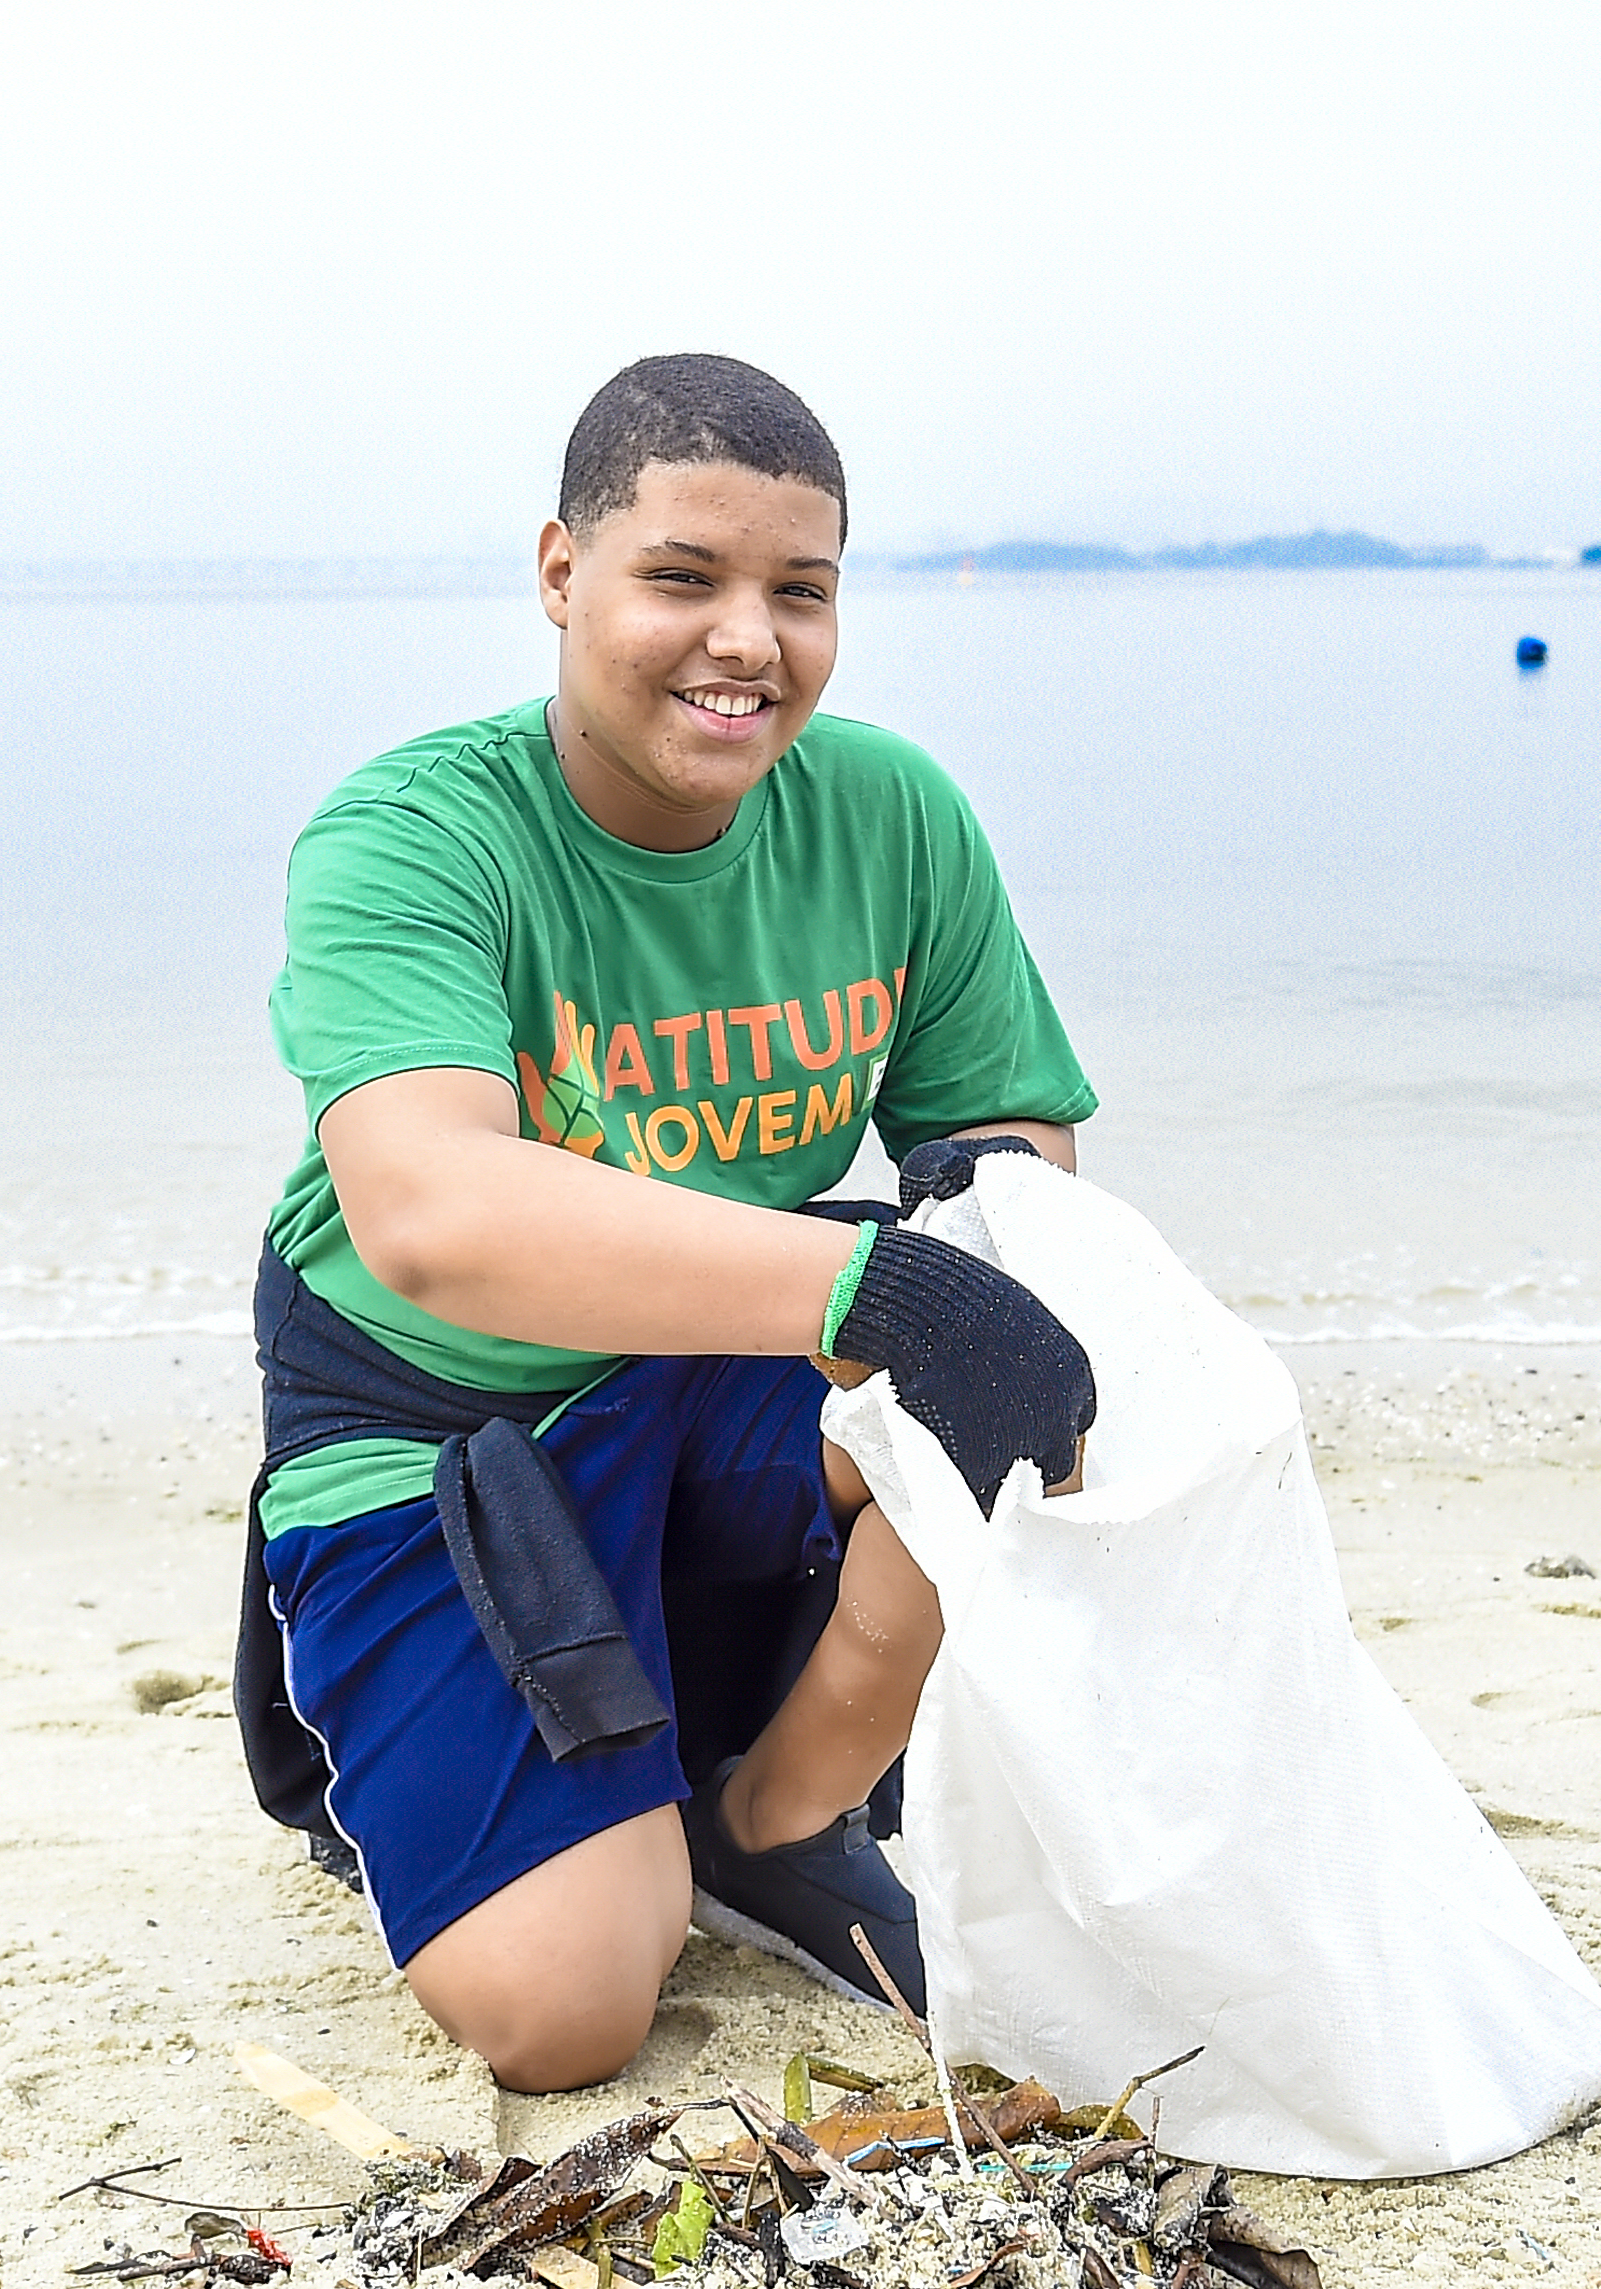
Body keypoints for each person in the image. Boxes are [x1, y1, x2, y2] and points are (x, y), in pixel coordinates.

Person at [240, 353, 1103, 2090]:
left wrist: (979, 1263)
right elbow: (430, 1213)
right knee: (566, 2014)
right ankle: (379, 1709)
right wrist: (886, 1291)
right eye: (684, 578)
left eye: (802, 591)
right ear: (563, 573)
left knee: (1031, 1362)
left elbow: (1010, 1147)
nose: (748, 641)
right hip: (445, 1412)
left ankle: (777, 1812)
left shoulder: (889, 811)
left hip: (721, 1359)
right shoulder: (413, 835)